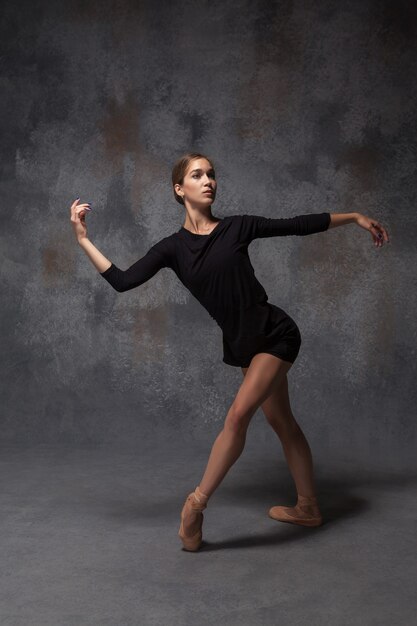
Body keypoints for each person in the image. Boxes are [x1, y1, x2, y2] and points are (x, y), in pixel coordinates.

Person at [70, 151, 389, 552]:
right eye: (198, 175)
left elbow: (298, 225)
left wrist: (355, 217)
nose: (209, 181)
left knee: (238, 416)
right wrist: (83, 240)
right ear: (178, 189)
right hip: (243, 345)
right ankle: (308, 507)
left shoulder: (238, 228)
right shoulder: (171, 249)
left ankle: (196, 504)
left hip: (275, 334)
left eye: (212, 175)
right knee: (283, 422)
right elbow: (122, 280)